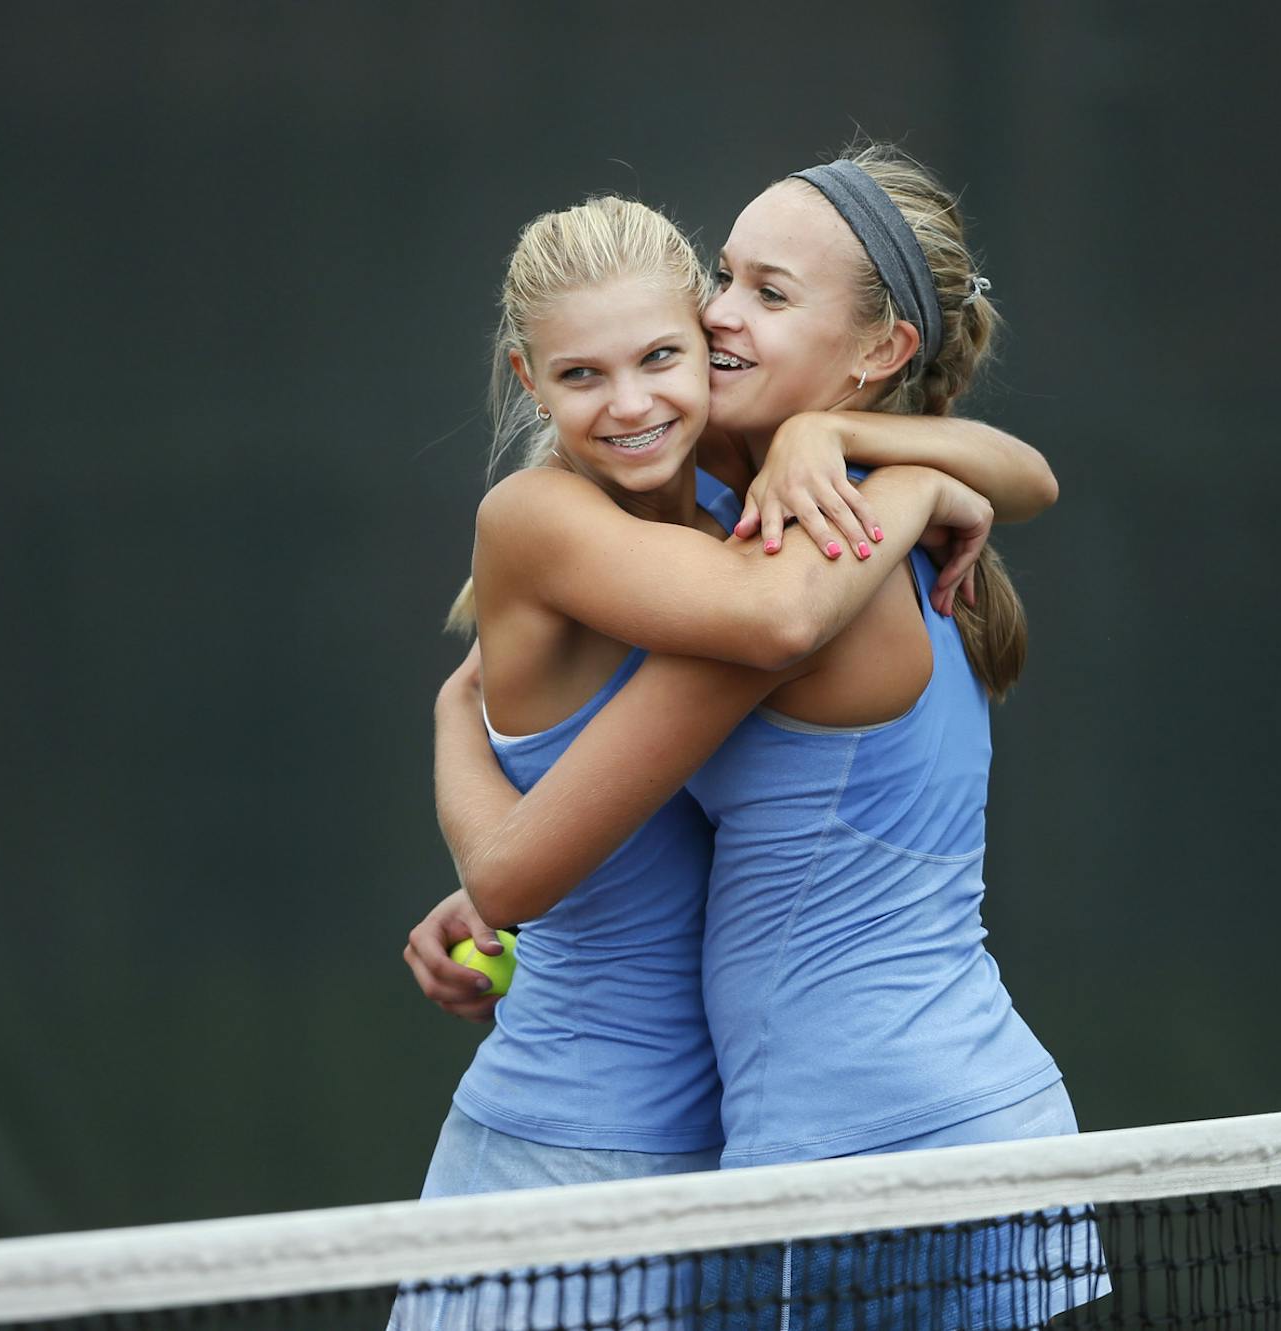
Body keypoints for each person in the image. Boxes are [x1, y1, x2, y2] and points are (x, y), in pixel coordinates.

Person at [420, 144, 1107, 1329]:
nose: (720, 312)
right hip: (883, 1142)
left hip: (858, 1163)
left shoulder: (797, 566)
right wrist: (868, 457)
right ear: (533, 380)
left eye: (765, 293)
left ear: (882, 353)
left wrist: (848, 456)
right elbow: (1017, 472)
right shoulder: (749, 529)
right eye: (723, 279)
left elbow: (788, 610)